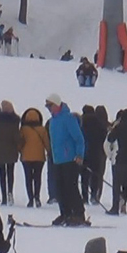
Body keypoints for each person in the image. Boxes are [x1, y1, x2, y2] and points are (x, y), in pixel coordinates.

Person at [45, 93, 89, 226]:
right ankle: (65, 213)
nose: (48, 108)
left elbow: (79, 139)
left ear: (57, 104)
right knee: (59, 188)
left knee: (71, 187)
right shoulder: (52, 121)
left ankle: (78, 214)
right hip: (57, 159)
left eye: (50, 105)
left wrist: (79, 155)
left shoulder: (68, 118)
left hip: (70, 159)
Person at [0, 101, 21, 206]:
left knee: (2, 174)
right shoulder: (15, 121)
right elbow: (17, 137)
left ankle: (4, 196)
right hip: (11, 150)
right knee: (10, 173)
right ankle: (10, 193)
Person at [18, 108, 50, 208]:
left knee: (28, 178)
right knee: (37, 178)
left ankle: (30, 199)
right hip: (39, 158)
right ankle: (37, 197)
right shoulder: (42, 129)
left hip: (26, 157)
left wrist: (20, 151)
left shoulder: (23, 129)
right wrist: (49, 152)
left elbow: (19, 143)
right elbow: (47, 143)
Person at [81, 106, 108, 204]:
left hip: (84, 153)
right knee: (95, 175)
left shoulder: (81, 123)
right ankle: (94, 195)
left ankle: (84, 197)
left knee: (84, 176)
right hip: (97, 153)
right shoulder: (100, 124)